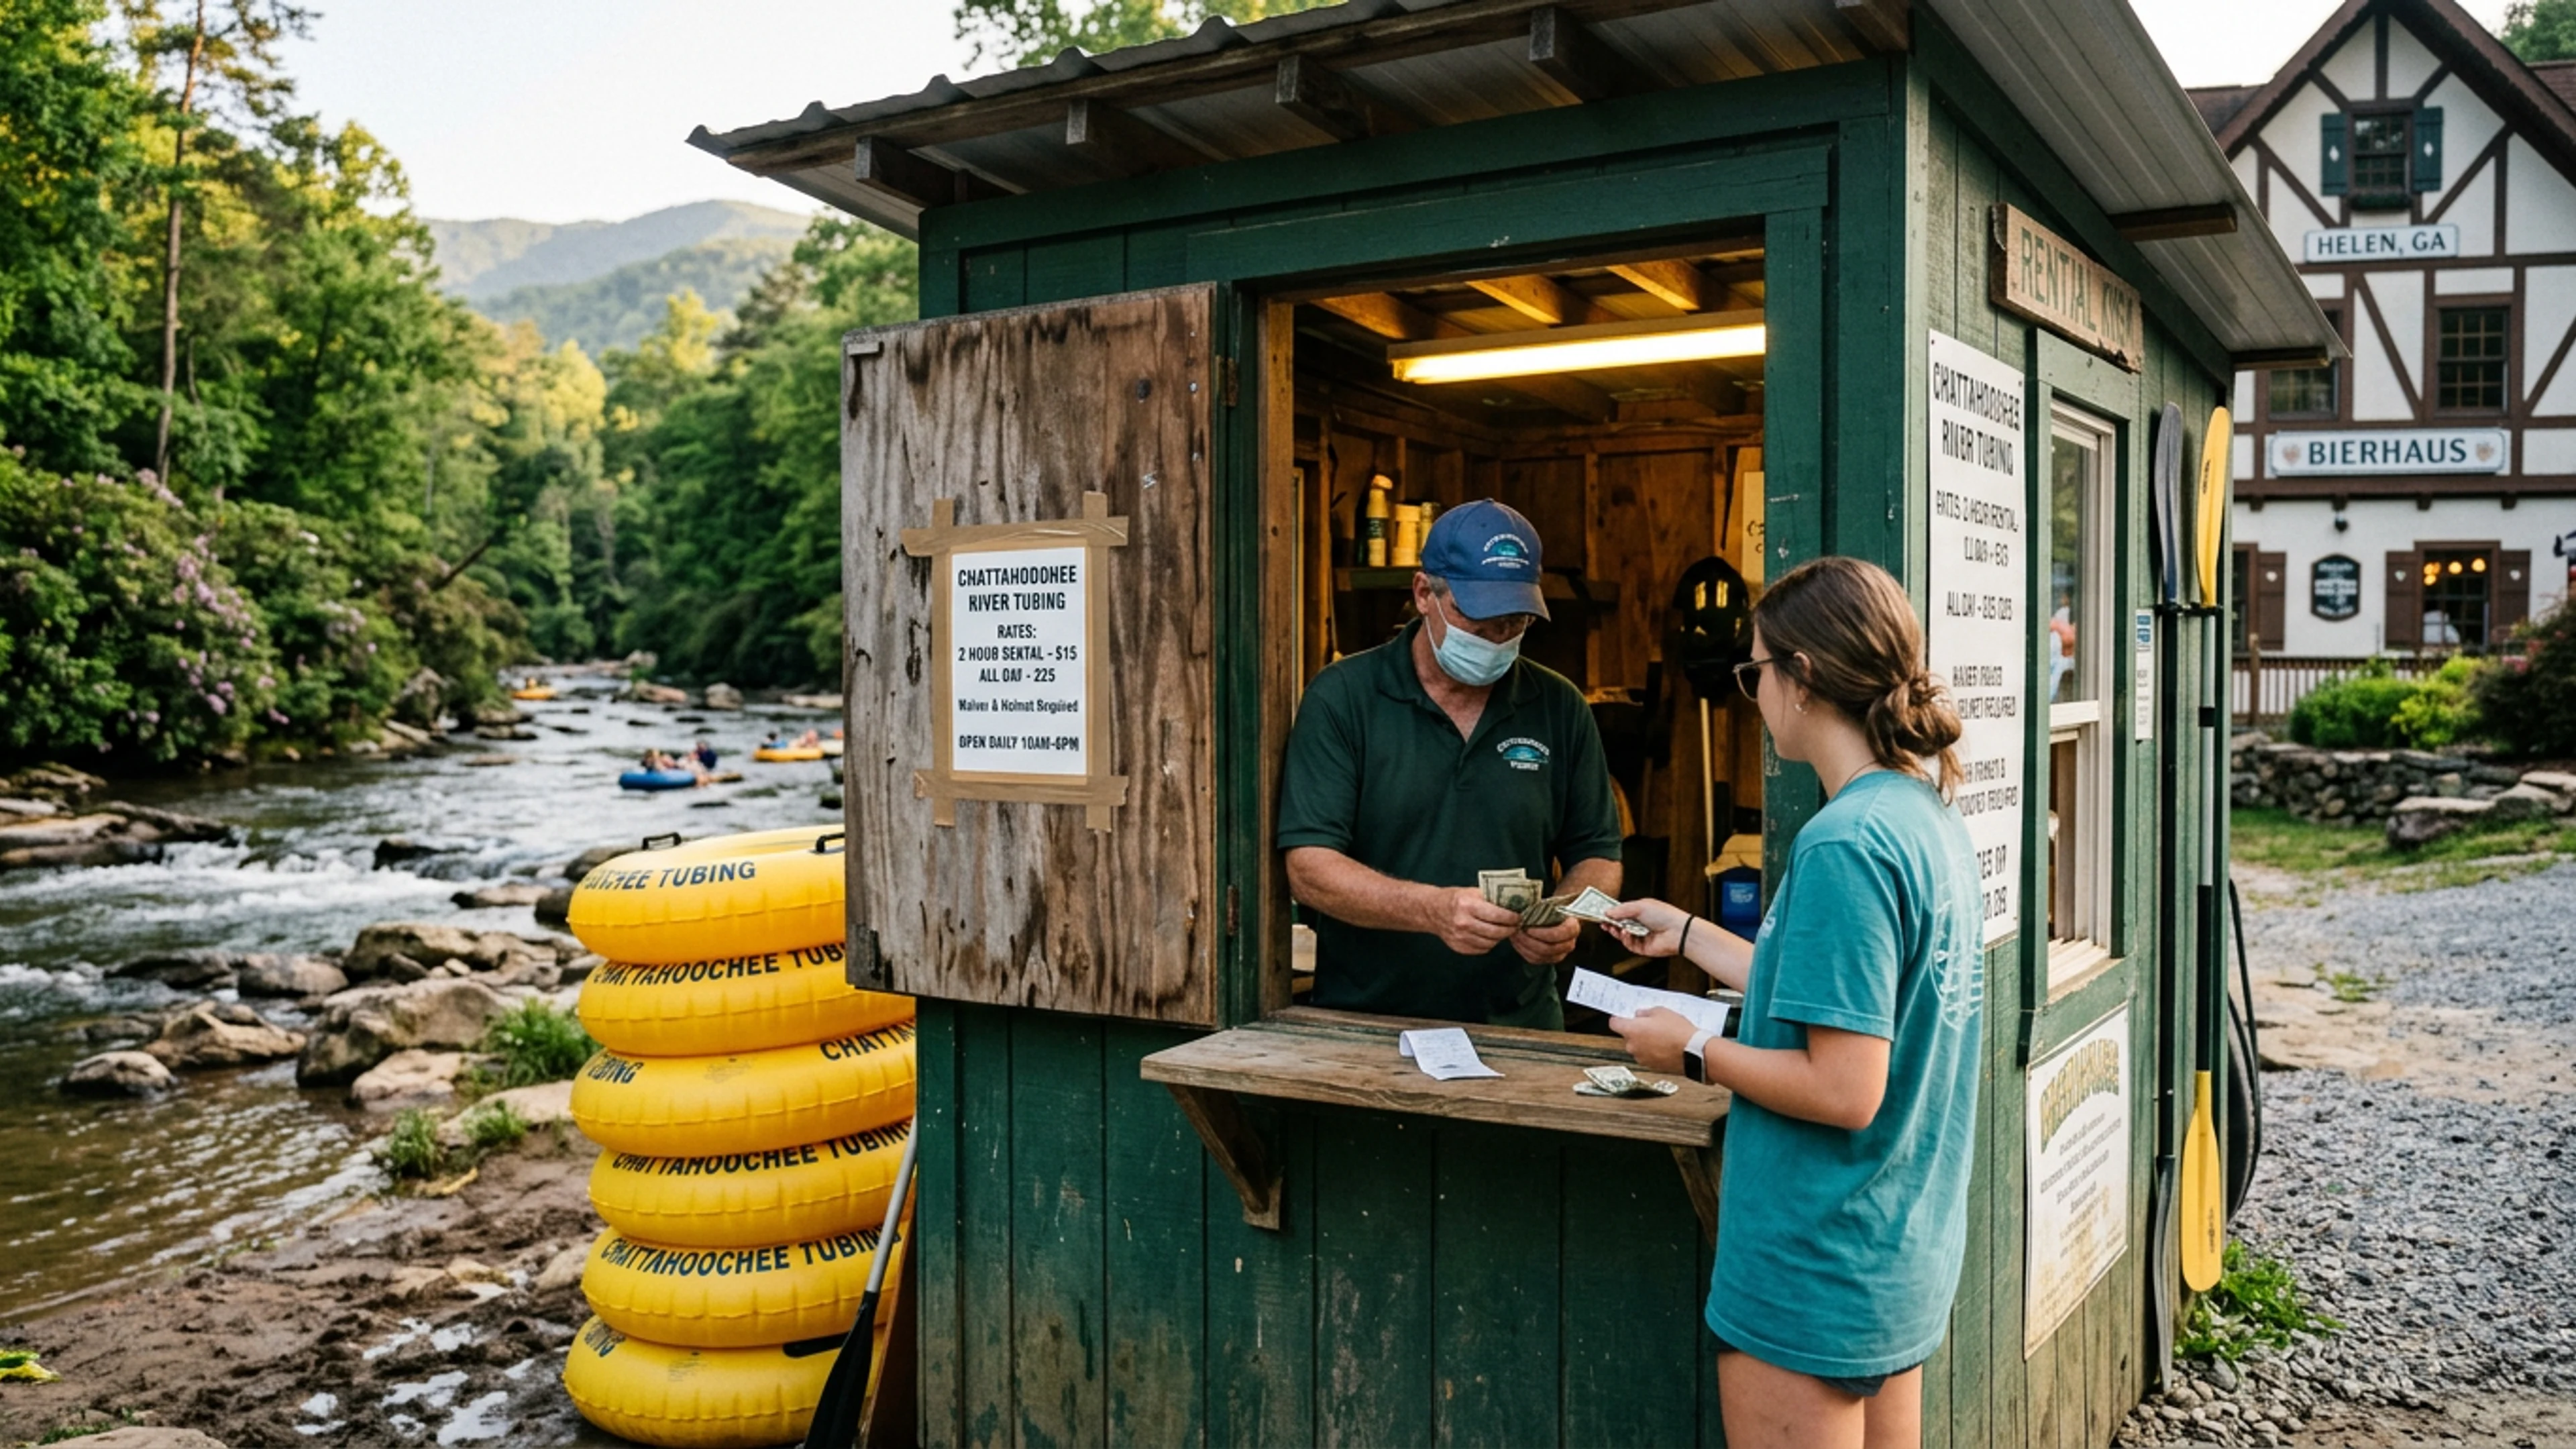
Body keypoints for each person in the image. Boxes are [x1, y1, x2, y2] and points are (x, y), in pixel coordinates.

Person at [1603, 555, 1984, 1449]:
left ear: (1803, 679)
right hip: (1894, 1247)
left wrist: (1688, 1051)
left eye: (1757, 671)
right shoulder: (1922, 817)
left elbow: (1846, 1087)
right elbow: (1837, 996)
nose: (1753, 693)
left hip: (1814, 1258)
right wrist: (1689, 935)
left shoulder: (1841, 844)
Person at [1277, 498, 1623, 1028]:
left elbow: (1599, 854)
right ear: (1424, 594)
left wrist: (1570, 914)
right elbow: (1310, 870)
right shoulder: (1343, 698)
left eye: (1515, 621)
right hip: (1368, 1023)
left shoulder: (1559, 706)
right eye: (1479, 619)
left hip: (1521, 1023)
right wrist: (1432, 911)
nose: (1498, 636)